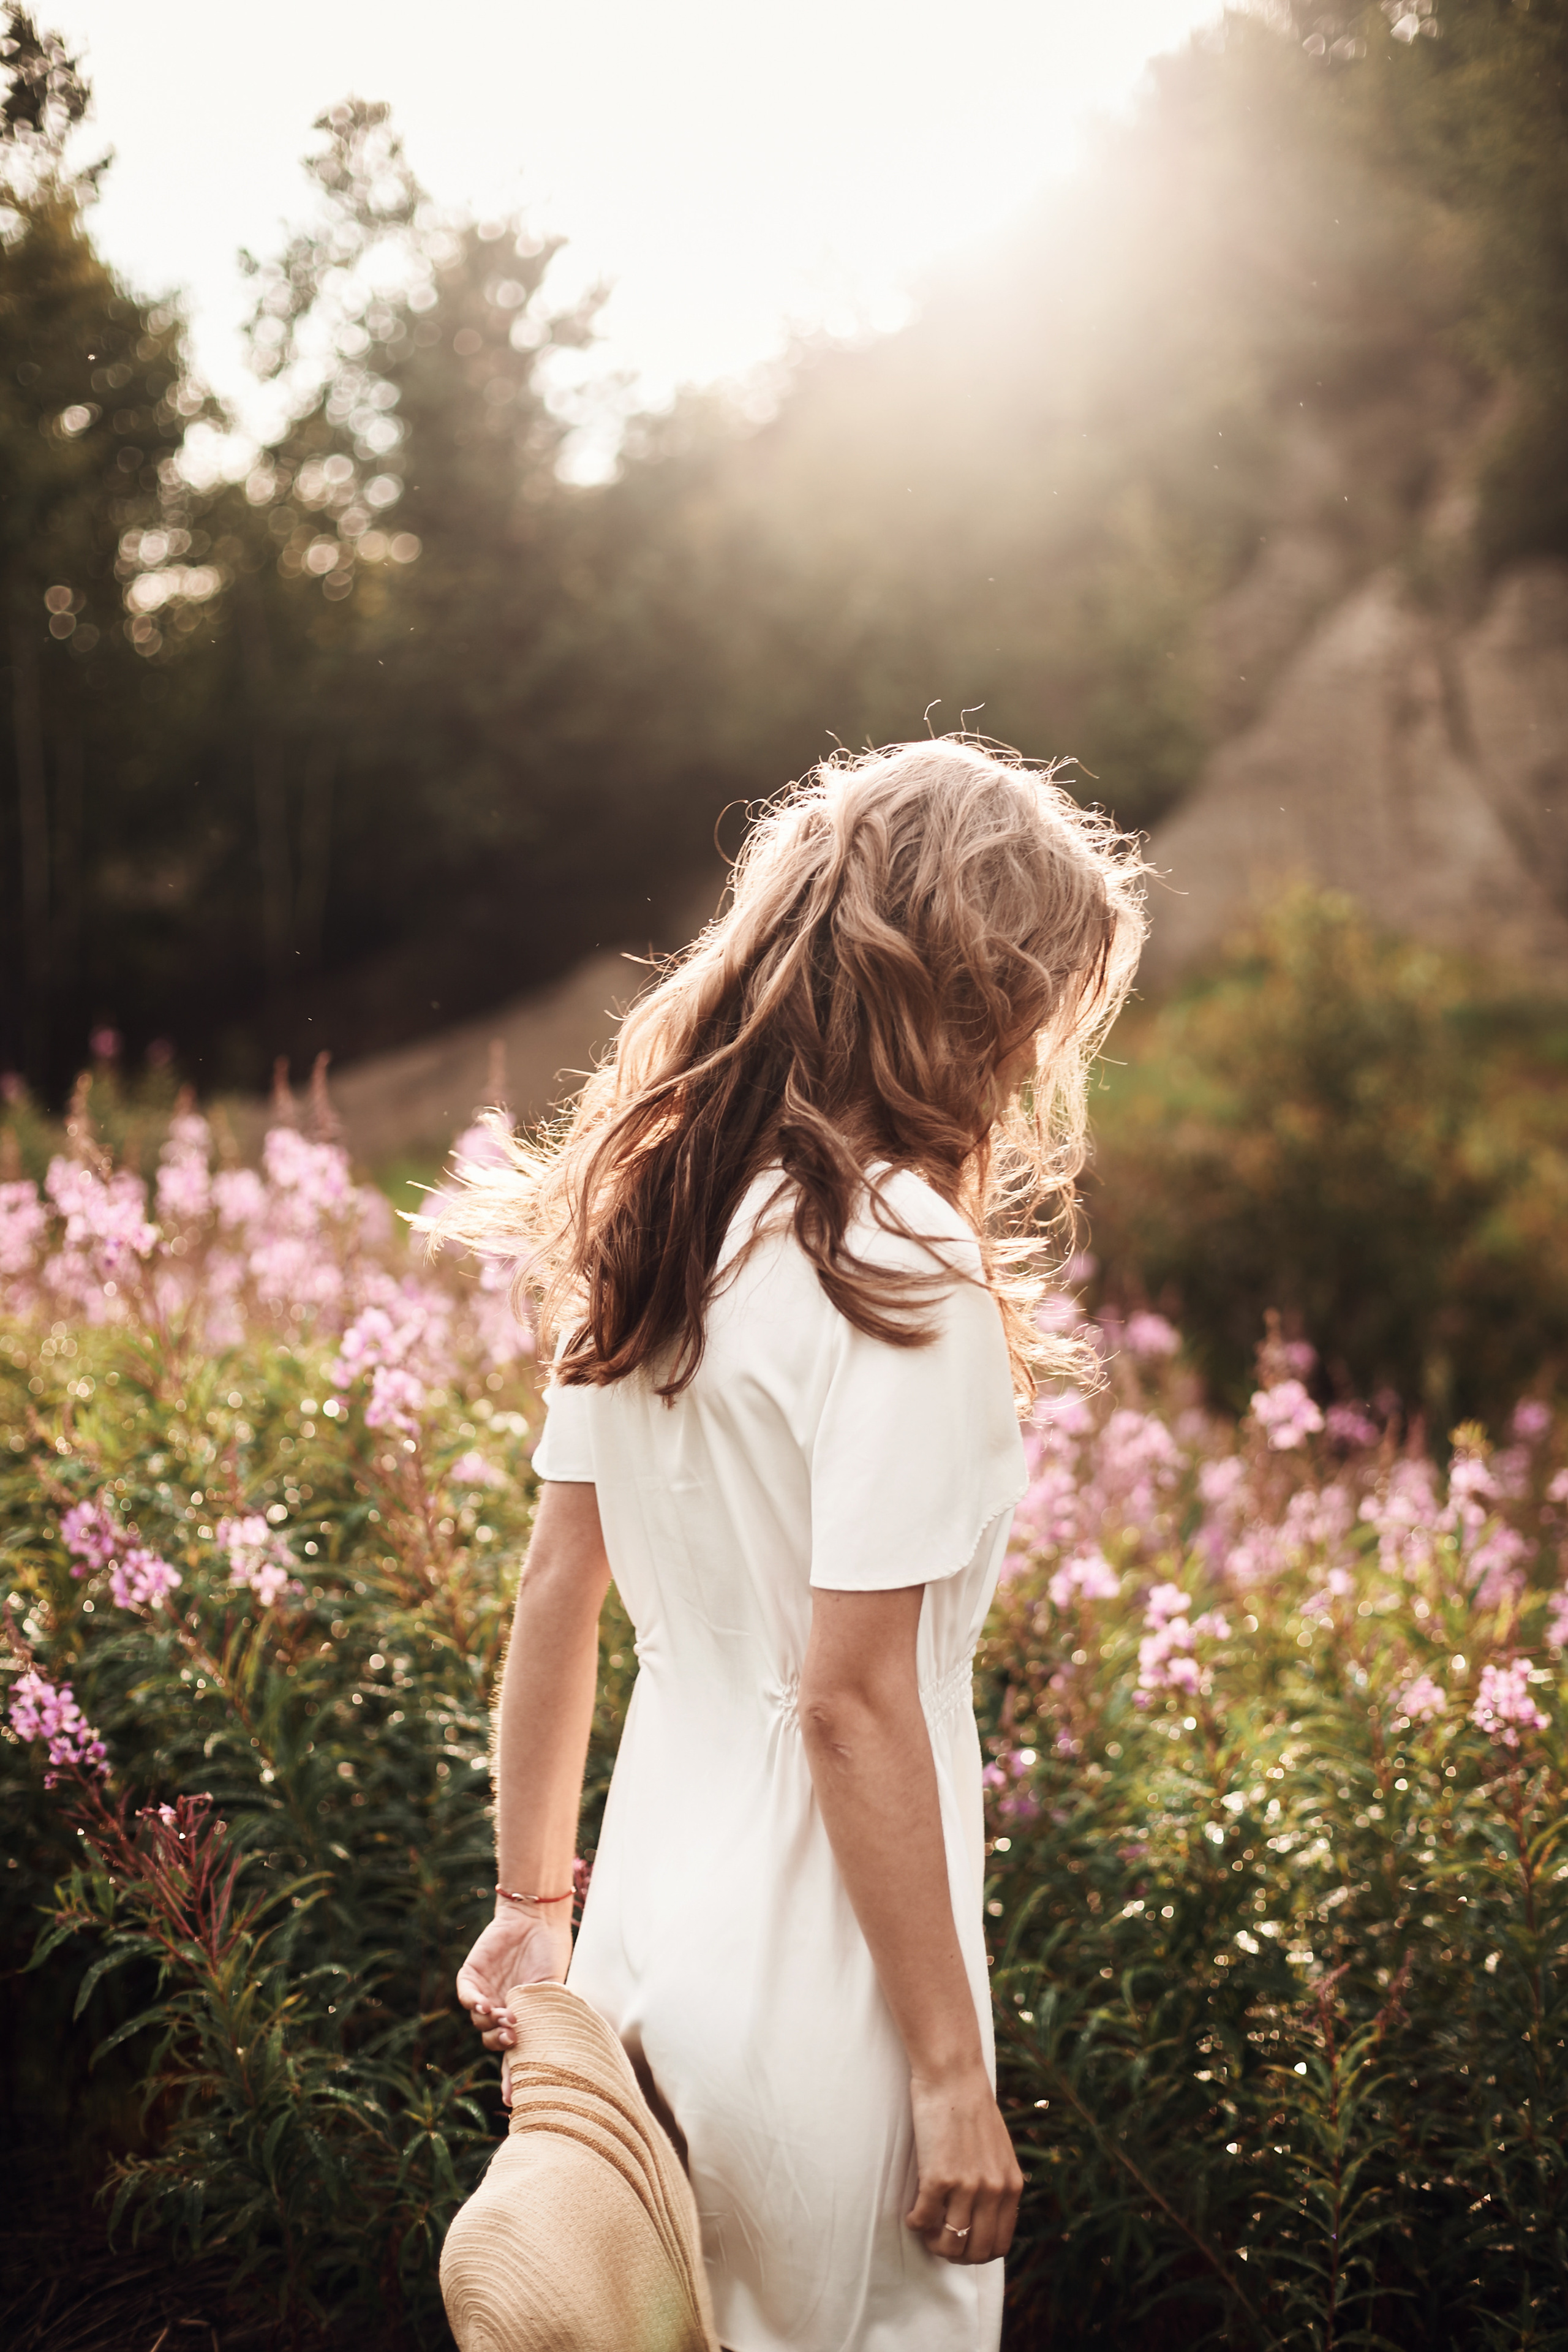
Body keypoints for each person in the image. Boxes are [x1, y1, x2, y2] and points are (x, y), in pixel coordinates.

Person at [439, 738, 1145, 2352]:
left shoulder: (657, 1214)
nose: (1043, 1044)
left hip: (639, 1945)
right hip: (828, 1985)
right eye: (1042, 995)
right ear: (975, 988)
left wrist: (531, 1903)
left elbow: (563, 1583)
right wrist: (954, 2080)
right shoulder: (896, 1259)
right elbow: (848, 1702)